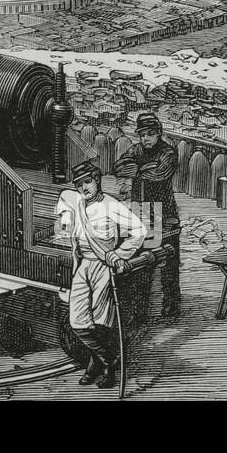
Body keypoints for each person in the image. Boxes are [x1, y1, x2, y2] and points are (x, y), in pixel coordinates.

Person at [55, 161, 148, 388]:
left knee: (100, 323)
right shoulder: (74, 202)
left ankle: (99, 368)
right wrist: (64, 222)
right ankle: (111, 360)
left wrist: (119, 254)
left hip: (102, 266)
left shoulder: (110, 205)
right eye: (79, 184)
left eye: (88, 181)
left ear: (97, 180)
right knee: (78, 322)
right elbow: (63, 201)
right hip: (83, 265)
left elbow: (139, 231)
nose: (84, 188)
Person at [112, 113, 181, 318]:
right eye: (142, 135)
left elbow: (160, 173)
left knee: (169, 263)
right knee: (141, 263)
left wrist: (138, 170)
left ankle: (172, 305)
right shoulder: (137, 149)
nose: (146, 139)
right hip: (140, 212)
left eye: (150, 134)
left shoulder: (168, 152)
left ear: (158, 133)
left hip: (164, 214)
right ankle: (139, 309)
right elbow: (119, 167)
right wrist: (144, 169)